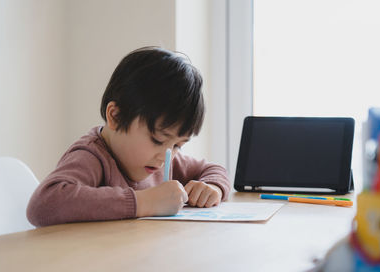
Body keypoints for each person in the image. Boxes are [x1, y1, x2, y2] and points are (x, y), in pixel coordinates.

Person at [27, 46, 231, 227]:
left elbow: (213, 169)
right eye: (157, 140)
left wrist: (212, 187)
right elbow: (44, 204)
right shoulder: (92, 157)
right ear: (115, 116)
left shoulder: (164, 159)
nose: (166, 156)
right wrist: (144, 202)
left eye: (178, 145)